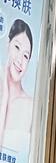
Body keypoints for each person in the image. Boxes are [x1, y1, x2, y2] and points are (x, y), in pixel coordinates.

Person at [0, 19, 34, 153]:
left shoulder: (31, 106)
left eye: (25, 56)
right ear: (8, 44)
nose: (20, 60)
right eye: (17, 47)